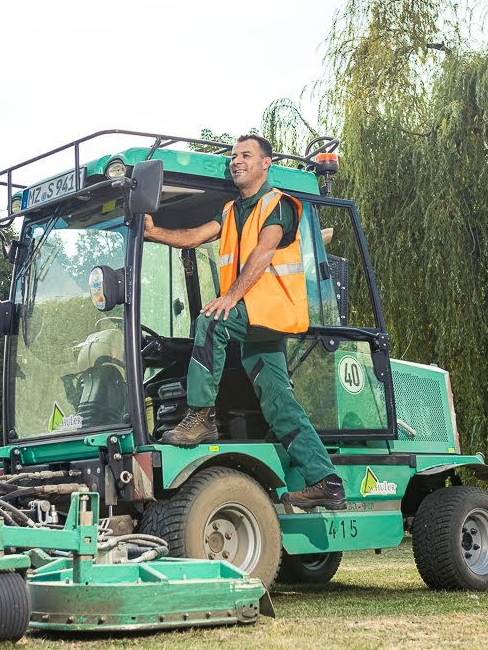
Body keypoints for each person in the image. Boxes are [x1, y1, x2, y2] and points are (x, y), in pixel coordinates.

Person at [143, 134, 346, 510]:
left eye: (245, 155)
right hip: (255, 322)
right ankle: (327, 481)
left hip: (271, 311)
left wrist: (230, 297)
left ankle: (201, 417)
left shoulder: (279, 205)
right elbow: (192, 237)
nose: (236, 161)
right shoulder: (230, 212)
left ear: (265, 163)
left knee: (212, 321)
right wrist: (154, 233)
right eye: (234, 156)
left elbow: (264, 252)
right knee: (279, 403)